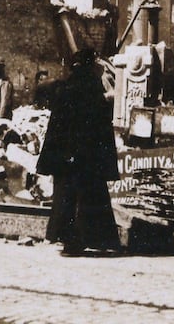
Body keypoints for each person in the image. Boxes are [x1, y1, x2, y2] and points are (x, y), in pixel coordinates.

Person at [36, 48, 121, 256]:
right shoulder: (94, 92)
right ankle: (93, 239)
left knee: (65, 197)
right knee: (90, 197)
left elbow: (55, 127)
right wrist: (106, 161)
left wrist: (53, 158)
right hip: (89, 158)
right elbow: (103, 130)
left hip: (66, 158)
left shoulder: (64, 90)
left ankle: (68, 240)